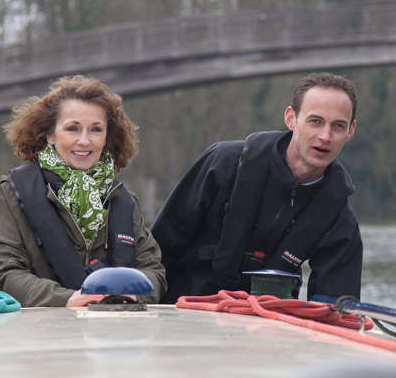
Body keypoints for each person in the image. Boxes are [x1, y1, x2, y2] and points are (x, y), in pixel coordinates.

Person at [151, 72, 362, 303]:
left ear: (350, 132)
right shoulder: (223, 164)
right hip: (181, 313)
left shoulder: (339, 217)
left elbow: (336, 307)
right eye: (315, 121)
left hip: (266, 325)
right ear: (291, 118)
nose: (325, 136)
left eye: (338, 126)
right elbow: (158, 249)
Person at [0, 75, 166, 307]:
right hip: (43, 329)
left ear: (107, 137)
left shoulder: (123, 200)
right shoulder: (10, 194)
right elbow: (2, 271)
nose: (84, 141)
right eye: (72, 129)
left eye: (96, 130)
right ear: (50, 135)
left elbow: (153, 269)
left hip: (118, 326)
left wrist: (135, 294)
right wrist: (66, 299)